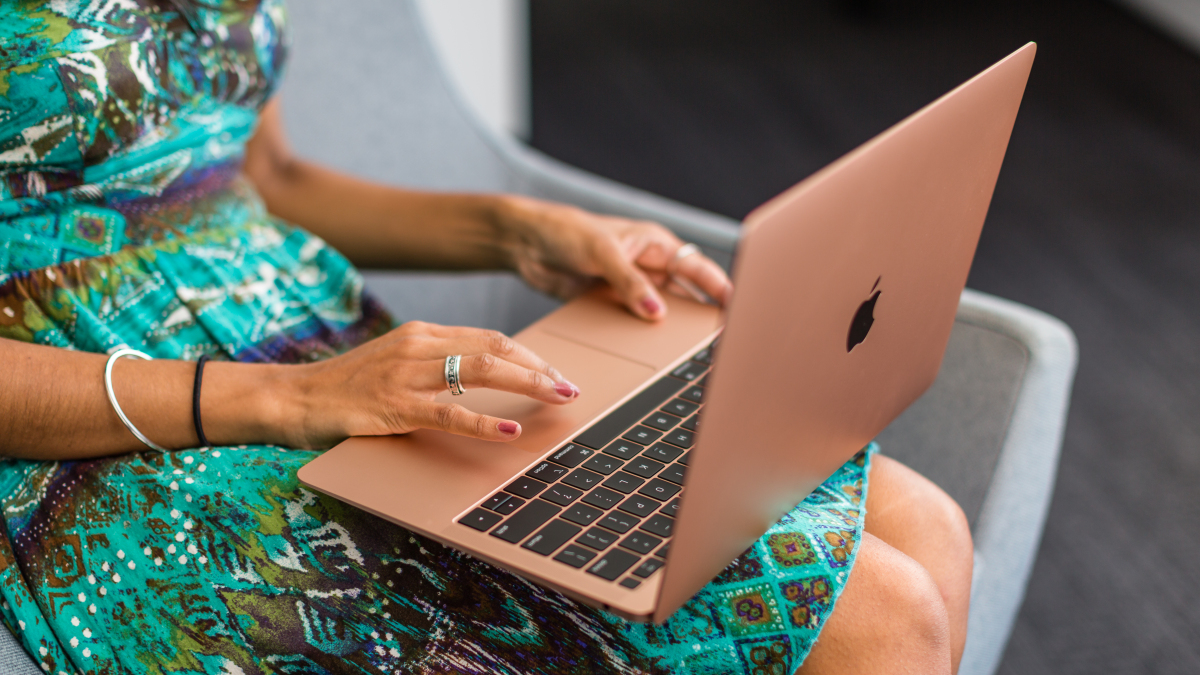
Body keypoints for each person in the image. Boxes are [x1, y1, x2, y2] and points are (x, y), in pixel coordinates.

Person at [0, 1, 973, 673]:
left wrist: (515, 229)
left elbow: (265, 177)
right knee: (880, 619)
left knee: (924, 523)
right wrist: (292, 400)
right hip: (110, 427)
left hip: (320, 345)